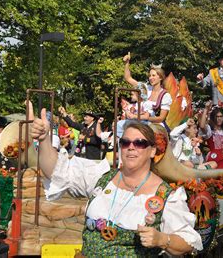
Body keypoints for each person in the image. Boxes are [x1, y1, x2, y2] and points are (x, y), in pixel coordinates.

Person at [30, 109, 203, 256]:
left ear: (152, 151)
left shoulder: (166, 195)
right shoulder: (101, 177)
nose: (131, 147)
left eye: (140, 143)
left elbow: (189, 241)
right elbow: (57, 171)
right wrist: (45, 139)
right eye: (125, 142)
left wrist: (162, 239)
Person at [123, 53, 172, 131]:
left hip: (153, 124)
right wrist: (126, 63)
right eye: (149, 76)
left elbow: (161, 118)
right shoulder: (146, 88)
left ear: (160, 77)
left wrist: (143, 118)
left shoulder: (165, 95)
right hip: (139, 120)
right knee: (120, 125)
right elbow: (128, 78)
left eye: (153, 75)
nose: (150, 78)